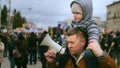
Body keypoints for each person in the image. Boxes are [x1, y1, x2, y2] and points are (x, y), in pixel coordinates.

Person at [44, 27, 118, 68]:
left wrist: (102, 56)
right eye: (68, 42)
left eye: (72, 42)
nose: (69, 46)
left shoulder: (93, 58)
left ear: (83, 42)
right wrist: (51, 63)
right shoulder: (66, 57)